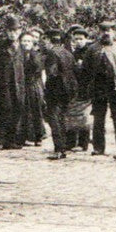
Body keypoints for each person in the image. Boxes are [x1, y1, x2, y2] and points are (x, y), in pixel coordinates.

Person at [82, 21, 116, 157]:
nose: (106, 33)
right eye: (103, 30)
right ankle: (98, 147)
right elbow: (86, 69)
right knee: (99, 118)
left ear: (114, 32)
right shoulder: (92, 49)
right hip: (98, 87)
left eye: (110, 30)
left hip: (115, 87)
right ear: (99, 32)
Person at [0, 16, 27, 149]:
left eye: (15, 31)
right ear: (6, 32)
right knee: (4, 112)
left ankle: (11, 140)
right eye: (10, 31)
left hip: (19, 85)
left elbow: (26, 67)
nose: (13, 33)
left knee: (17, 112)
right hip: (4, 86)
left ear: (20, 31)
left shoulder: (23, 48)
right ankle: (1, 140)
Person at [41, 30, 78, 160]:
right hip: (67, 91)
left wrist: (47, 89)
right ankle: (63, 147)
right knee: (62, 119)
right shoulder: (68, 53)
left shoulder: (52, 53)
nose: (43, 43)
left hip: (55, 91)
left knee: (54, 119)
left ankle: (59, 149)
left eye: (44, 40)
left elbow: (51, 73)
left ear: (49, 40)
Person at [65, 26, 93, 152]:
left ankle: (83, 143)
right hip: (76, 88)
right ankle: (71, 142)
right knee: (72, 116)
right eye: (76, 39)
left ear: (86, 39)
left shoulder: (89, 52)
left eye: (80, 39)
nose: (78, 41)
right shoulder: (74, 53)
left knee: (84, 118)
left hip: (87, 88)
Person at [20, 31, 46, 146]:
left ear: (33, 42)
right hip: (21, 86)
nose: (26, 43)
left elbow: (39, 70)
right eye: (24, 41)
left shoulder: (36, 55)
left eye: (28, 41)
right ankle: (23, 136)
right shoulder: (18, 55)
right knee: (23, 111)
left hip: (34, 85)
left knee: (36, 110)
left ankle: (38, 136)